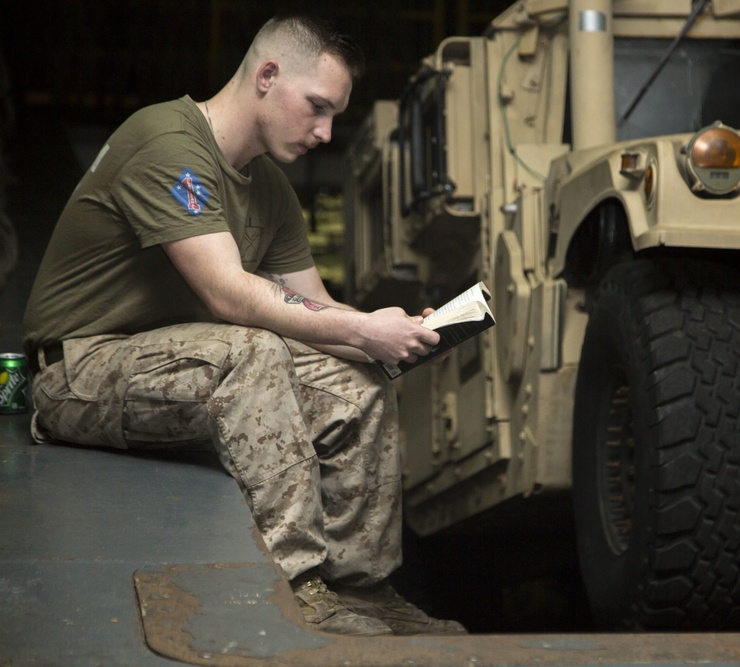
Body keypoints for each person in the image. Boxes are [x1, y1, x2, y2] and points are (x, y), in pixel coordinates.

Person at [22, 14, 465, 638]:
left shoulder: (272, 189)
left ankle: (362, 588)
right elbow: (227, 292)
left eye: (334, 114)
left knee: (356, 382)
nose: (325, 131)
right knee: (252, 350)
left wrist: (394, 334)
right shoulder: (167, 142)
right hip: (81, 371)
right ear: (266, 76)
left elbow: (316, 308)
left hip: (185, 359)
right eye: (317, 107)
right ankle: (300, 586)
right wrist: (363, 328)